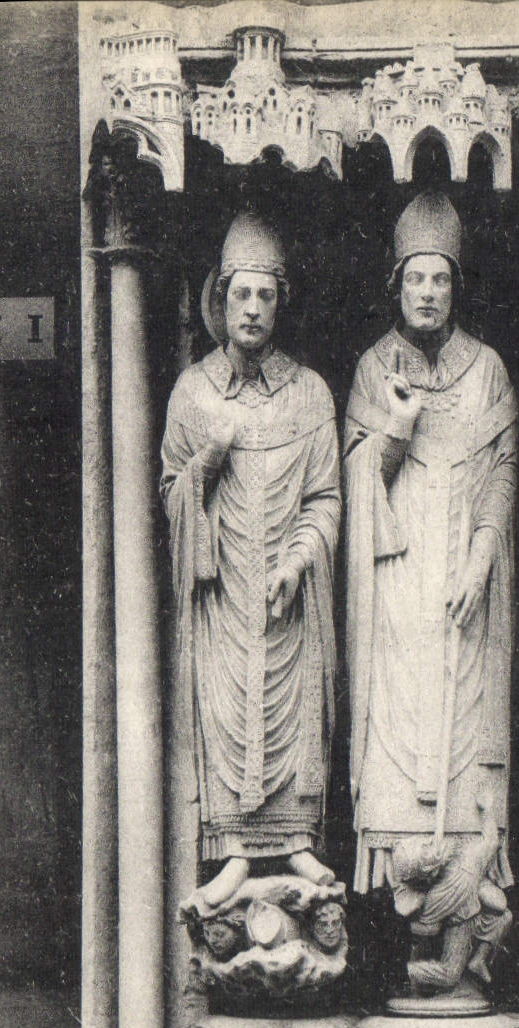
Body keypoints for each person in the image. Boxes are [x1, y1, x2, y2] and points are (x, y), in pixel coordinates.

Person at [343, 192, 517, 996]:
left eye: (439, 279)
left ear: (456, 286)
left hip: (463, 589)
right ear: (394, 285)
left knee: (464, 727)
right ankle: (414, 912)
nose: (427, 292)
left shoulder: (487, 371)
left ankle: (463, 909)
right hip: (399, 584)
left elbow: (502, 478)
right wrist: (399, 429)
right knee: (403, 729)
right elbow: (356, 487)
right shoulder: (373, 370)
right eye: (415, 278)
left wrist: (484, 556)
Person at [161, 213, 341, 917]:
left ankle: (296, 837)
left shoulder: (310, 394)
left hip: (285, 598)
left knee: (293, 710)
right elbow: (171, 490)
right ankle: (233, 849)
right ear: (221, 298)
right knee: (226, 708)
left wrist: (297, 563)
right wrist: (208, 458)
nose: (254, 309)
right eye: (242, 295)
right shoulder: (192, 393)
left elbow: (325, 498)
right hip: (223, 596)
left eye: (266, 296)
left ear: (281, 302)